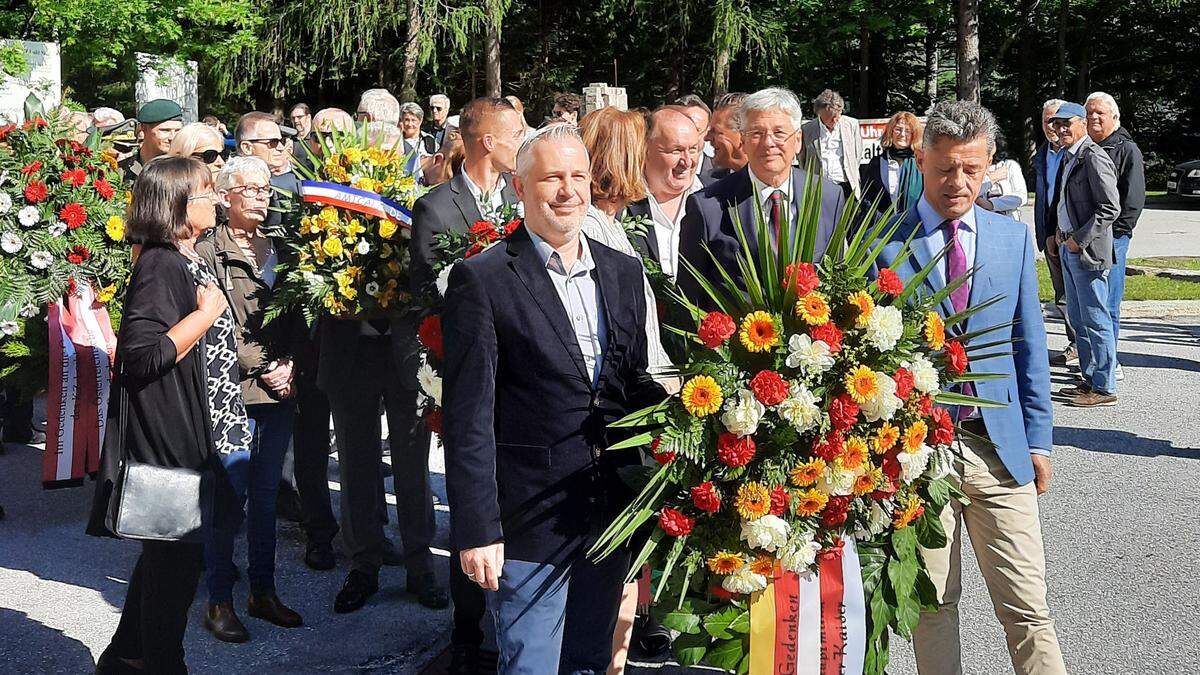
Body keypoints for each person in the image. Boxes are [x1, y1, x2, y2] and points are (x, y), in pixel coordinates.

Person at [442, 123, 665, 674]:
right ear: (520, 188)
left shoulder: (624, 271)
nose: (568, 191)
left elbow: (633, 385)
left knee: (589, 661)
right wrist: (478, 529)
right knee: (531, 663)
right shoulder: (483, 278)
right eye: (551, 179)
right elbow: (469, 416)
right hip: (528, 518)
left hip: (610, 511)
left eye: (577, 177)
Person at [871, 100, 1065, 675]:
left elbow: (1028, 348)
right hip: (919, 457)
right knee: (934, 604)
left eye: (971, 170)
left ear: (989, 168)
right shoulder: (883, 243)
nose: (957, 182)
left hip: (999, 451)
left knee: (1028, 606)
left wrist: (1040, 440)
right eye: (945, 168)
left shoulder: (1010, 240)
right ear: (922, 161)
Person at [87, 156, 241, 674]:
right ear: (177, 204)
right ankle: (160, 663)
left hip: (192, 424)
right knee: (175, 562)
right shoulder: (161, 263)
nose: (216, 199)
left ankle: (125, 657)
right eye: (205, 193)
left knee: (169, 557)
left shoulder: (185, 255)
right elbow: (140, 356)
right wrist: (204, 315)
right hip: (167, 434)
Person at [317, 94, 447, 616]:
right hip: (350, 347)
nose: (377, 133)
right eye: (367, 123)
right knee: (356, 459)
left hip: (403, 347)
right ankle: (364, 563)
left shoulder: (420, 191)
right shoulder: (331, 191)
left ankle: (420, 565)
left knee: (412, 460)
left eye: (386, 125)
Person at [408, 96, 524, 671]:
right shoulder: (436, 206)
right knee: (472, 498)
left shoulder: (520, 200)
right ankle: (466, 625)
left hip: (523, 374)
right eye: (515, 132)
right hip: (464, 368)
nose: (522, 140)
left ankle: (515, 615)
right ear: (486, 142)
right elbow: (428, 292)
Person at [577, 106, 678, 673]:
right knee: (614, 562)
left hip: (630, 400)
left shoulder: (608, 223)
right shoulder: (595, 228)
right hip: (619, 410)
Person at [194, 156, 306, 643]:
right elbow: (218, 327)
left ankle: (262, 592)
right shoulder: (206, 251)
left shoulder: (281, 246)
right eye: (251, 189)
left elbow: (302, 313)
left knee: (264, 499)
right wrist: (265, 366)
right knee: (228, 498)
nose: (263, 196)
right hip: (233, 393)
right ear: (225, 196)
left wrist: (291, 365)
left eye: (265, 189)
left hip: (279, 392)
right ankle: (219, 600)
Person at [679, 87, 845, 305]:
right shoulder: (708, 207)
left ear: (797, 140)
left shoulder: (828, 197)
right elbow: (690, 298)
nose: (768, 143)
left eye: (779, 133)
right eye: (757, 133)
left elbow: (838, 281)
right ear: (744, 141)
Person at [1047, 101, 1122, 407]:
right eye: (1057, 125)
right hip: (1068, 248)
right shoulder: (1069, 157)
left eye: (1067, 124)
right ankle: (1090, 378)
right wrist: (1057, 235)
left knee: (1096, 318)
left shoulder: (1093, 156)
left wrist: (1079, 239)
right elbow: (1065, 202)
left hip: (1087, 252)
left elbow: (1110, 207)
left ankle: (1104, 388)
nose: (1061, 130)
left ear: (1081, 125)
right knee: (1079, 318)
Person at [1086, 91, 1145, 381]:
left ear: (1114, 117)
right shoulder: (1088, 147)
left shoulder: (1125, 149)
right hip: (1088, 237)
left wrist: (1118, 233)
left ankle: (1110, 363)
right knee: (1092, 301)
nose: (1094, 118)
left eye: (1100, 113)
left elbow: (1133, 199)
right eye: (1089, 113)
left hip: (1113, 238)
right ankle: (1096, 361)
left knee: (1108, 302)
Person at [624, 106, 704, 284]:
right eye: (675, 150)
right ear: (646, 150)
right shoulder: (622, 204)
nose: (687, 161)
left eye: (693, 149)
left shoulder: (714, 199)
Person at [1032, 98, 1077, 360]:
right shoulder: (1042, 153)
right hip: (1050, 233)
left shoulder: (1077, 152)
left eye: (1056, 121)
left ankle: (1085, 347)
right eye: (1047, 121)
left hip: (1072, 234)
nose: (1052, 127)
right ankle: (1075, 343)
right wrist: (1047, 233)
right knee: (1062, 295)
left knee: (1078, 294)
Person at [798, 89, 863, 199]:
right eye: (829, 117)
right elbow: (802, 160)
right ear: (819, 113)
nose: (834, 120)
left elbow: (857, 155)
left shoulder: (852, 125)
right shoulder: (807, 129)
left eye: (836, 116)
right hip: (818, 188)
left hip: (847, 186)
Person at [860, 111, 923, 216]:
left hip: (915, 225)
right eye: (898, 129)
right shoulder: (876, 163)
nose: (902, 134)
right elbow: (867, 197)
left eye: (908, 131)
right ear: (890, 132)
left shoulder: (921, 163)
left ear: (914, 135)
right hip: (881, 227)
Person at [119, 99, 184, 184]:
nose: (172, 137)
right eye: (165, 130)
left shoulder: (188, 170)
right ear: (144, 129)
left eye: (177, 131)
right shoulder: (121, 171)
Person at [977, 131, 1029, 219]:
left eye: (990, 142)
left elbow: (1021, 197)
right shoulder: (975, 168)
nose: (988, 146)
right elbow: (971, 193)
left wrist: (991, 204)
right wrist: (991, 178)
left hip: (1009, 222)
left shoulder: (1009, 165)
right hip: (984, 222)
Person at [706, 92, 749, 182]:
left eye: (716, 131)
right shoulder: (705, 185)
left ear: (743, 134)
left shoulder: (779, 183)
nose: (707, 138)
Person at [674, 94, 715, 182]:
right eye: (681, 128)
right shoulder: (653, 170)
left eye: (695, 129)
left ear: (707, 132)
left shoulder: (720, 176)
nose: (687, 135)